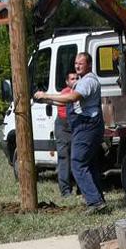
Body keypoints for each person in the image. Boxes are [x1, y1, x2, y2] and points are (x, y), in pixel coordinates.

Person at [34, 52, 105, 212]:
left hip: (87, 126)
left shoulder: (87, 82)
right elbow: (66, 99)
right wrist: (46, 100)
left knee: (78, 163)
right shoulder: (82, 81)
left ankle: (95, 202)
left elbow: (72, 98)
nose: (77, 66)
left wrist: (45, 94)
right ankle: (98, 198)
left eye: (81, 63)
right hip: (87, 126)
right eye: (75, 63)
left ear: (89, 64)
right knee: (89, 163)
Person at [53, 70, 77, 197]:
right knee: (64, 158)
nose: (75, 81)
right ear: (67, 82)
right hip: (64, 126)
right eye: (72, 79)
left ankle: (80, 187)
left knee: (77, 157)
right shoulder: (65, 93)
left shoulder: (80, 91)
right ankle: (65, 191)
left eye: (77, 78)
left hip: (75, 125)